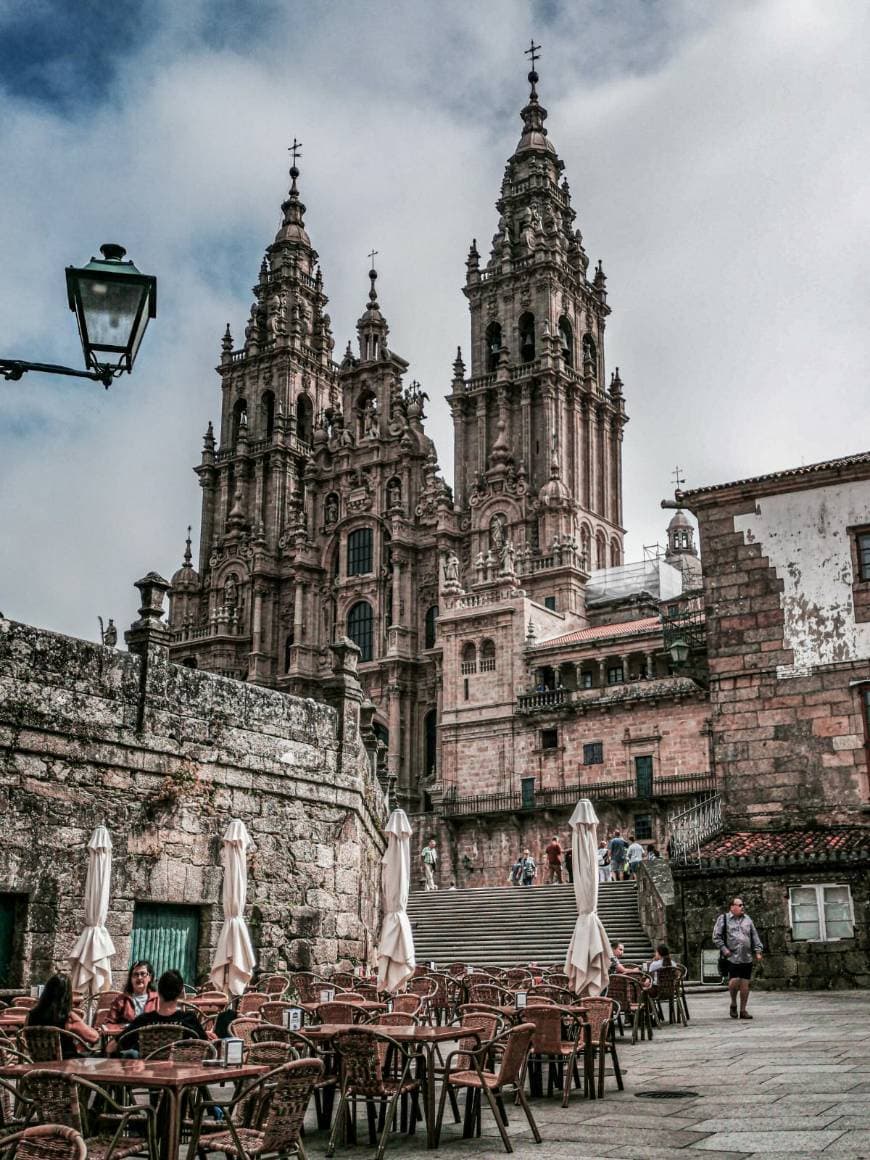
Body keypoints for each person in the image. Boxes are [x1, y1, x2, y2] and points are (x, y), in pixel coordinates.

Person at [112, 969, 206, 1055]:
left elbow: (111, 1047)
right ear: (181, 992)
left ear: (158, 991)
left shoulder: (144, 1020)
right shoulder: (189, 1019)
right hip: (179, 1070)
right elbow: (206, 1047)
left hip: (146, 1071)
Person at [713, 897, 764, 1020]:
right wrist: (725, 950)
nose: (742, 907)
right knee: (734, 981)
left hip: (746, 956)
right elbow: (716, 937)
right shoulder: (723, 919)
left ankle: (743, 1010)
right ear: (732, 907)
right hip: (732, 956)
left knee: (745, 984)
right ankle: (733, 1003)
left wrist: (758, 950)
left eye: (743, 905)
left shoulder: (748, 919)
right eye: (740, 905)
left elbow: (754, 935)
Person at [26, 974, 101, 1058]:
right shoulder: (66, 1017)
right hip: (66, 1064)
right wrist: (78, 1020)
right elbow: (94, 1038)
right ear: (67, 995)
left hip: (37, 1062)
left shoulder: (31, 1015)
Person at [104, 960, 158, 1027]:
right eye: (135, 974)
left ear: (149, 977)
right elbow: (108, 1023)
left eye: (143, 974)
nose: (139, 977)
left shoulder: (157, 999)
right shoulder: (121, 1000)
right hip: (128, 1036)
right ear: (131, 979)